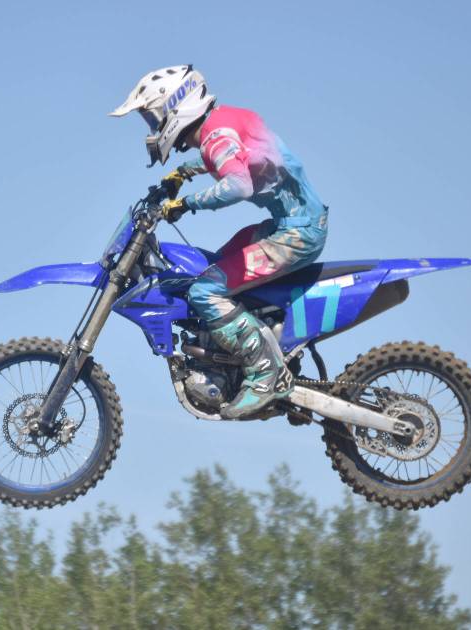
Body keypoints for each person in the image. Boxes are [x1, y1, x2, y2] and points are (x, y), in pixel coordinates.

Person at [110, 65, 328, 419]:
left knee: (205, 291)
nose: (154, 129)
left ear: (174, 105)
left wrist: (187, 203)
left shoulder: (216, 134)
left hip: (295, 234)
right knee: (213, 264)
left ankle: (265, 373)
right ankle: (242, 350)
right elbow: (231, 152)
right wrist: (184, 172)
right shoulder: (221, 124)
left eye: (153, 118)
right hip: (291, 224)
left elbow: (238, 184)